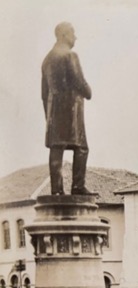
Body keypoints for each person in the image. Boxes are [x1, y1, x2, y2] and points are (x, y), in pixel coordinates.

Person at [42, 22, 94, 195]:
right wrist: (89, 92)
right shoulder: (70, 56)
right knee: (81, 148)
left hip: (54, 113)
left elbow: (43, 93)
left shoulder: (47, 60)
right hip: (71, 112)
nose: (75, 37)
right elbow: (80, 82)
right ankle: (77, 186)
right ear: (63, 35)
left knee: (56, 149)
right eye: (73, 33)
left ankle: (56, 190)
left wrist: (48, 116)